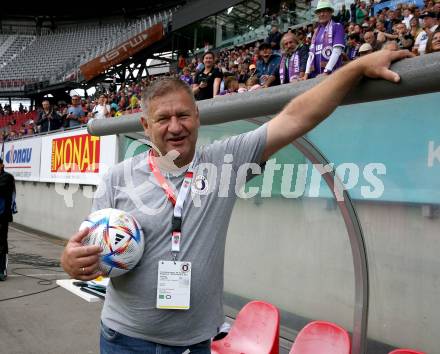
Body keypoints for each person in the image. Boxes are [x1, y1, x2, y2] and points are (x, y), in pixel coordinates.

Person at [60, 48, 412, 354]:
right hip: (126, 340)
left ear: (197, 117)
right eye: (162, 119)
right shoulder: (118, 178)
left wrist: (355, 68)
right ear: (145, 125)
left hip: (193, 343)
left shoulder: (223, 163)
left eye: (183, 115)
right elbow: (91, 252)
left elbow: (295, 118)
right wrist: (70, 261)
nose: (175, 126)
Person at [304, 0, 345, 79]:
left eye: (325, 11)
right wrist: (306, 74)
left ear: (330, 12)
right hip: (315, 77)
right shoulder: (316, 31)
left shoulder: (337, 26)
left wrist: (326, 72)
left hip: (332, 75)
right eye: (319, 12)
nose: (321, 14)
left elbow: (337, 51)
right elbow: (311, 55)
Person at [0, 158, 16, 281]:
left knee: (1, 244)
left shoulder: (7, 178)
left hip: (2, 217)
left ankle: (1, 270)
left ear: (2, 165)